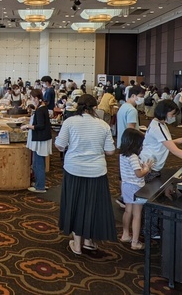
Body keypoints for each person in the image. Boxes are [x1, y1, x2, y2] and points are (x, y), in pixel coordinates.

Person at [54, 94, 117, 255]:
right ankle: (88, 241)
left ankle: (77, 244)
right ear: (95, 108)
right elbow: (110, 151)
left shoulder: (70, 122)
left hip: (74, 168)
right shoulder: (103, 125)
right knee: (92, 206)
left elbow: (60, 146)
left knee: (74, 204)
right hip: (96, 171)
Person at [141, 100, 182, 183]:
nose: (173, 117)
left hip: (151, 164)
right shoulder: (158, 128)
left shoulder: (159, 123)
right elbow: (175, 151)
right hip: (149, 166)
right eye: (172, 114)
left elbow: (161, 142)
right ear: (164, 112)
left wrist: (176, 141)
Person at [119, 128, 152, 251]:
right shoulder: (133, 157)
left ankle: (125, 234)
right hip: (136, 187)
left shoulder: (122, 154)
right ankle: (135, 242)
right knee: (137, 214)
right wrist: (146, 168)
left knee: (128, 211)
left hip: (126, 186)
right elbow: (139, 174)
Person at [21, 89, 51, 193]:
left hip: (40, 139)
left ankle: (40, 187)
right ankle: (40, 183)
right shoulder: (43, 108)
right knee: (39, 162)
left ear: (37, 98)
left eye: (32, 99)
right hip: (43, 138)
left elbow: (40, 126)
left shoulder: (40, 110)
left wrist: (27, 126)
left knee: (38, 163)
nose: (32, 101)